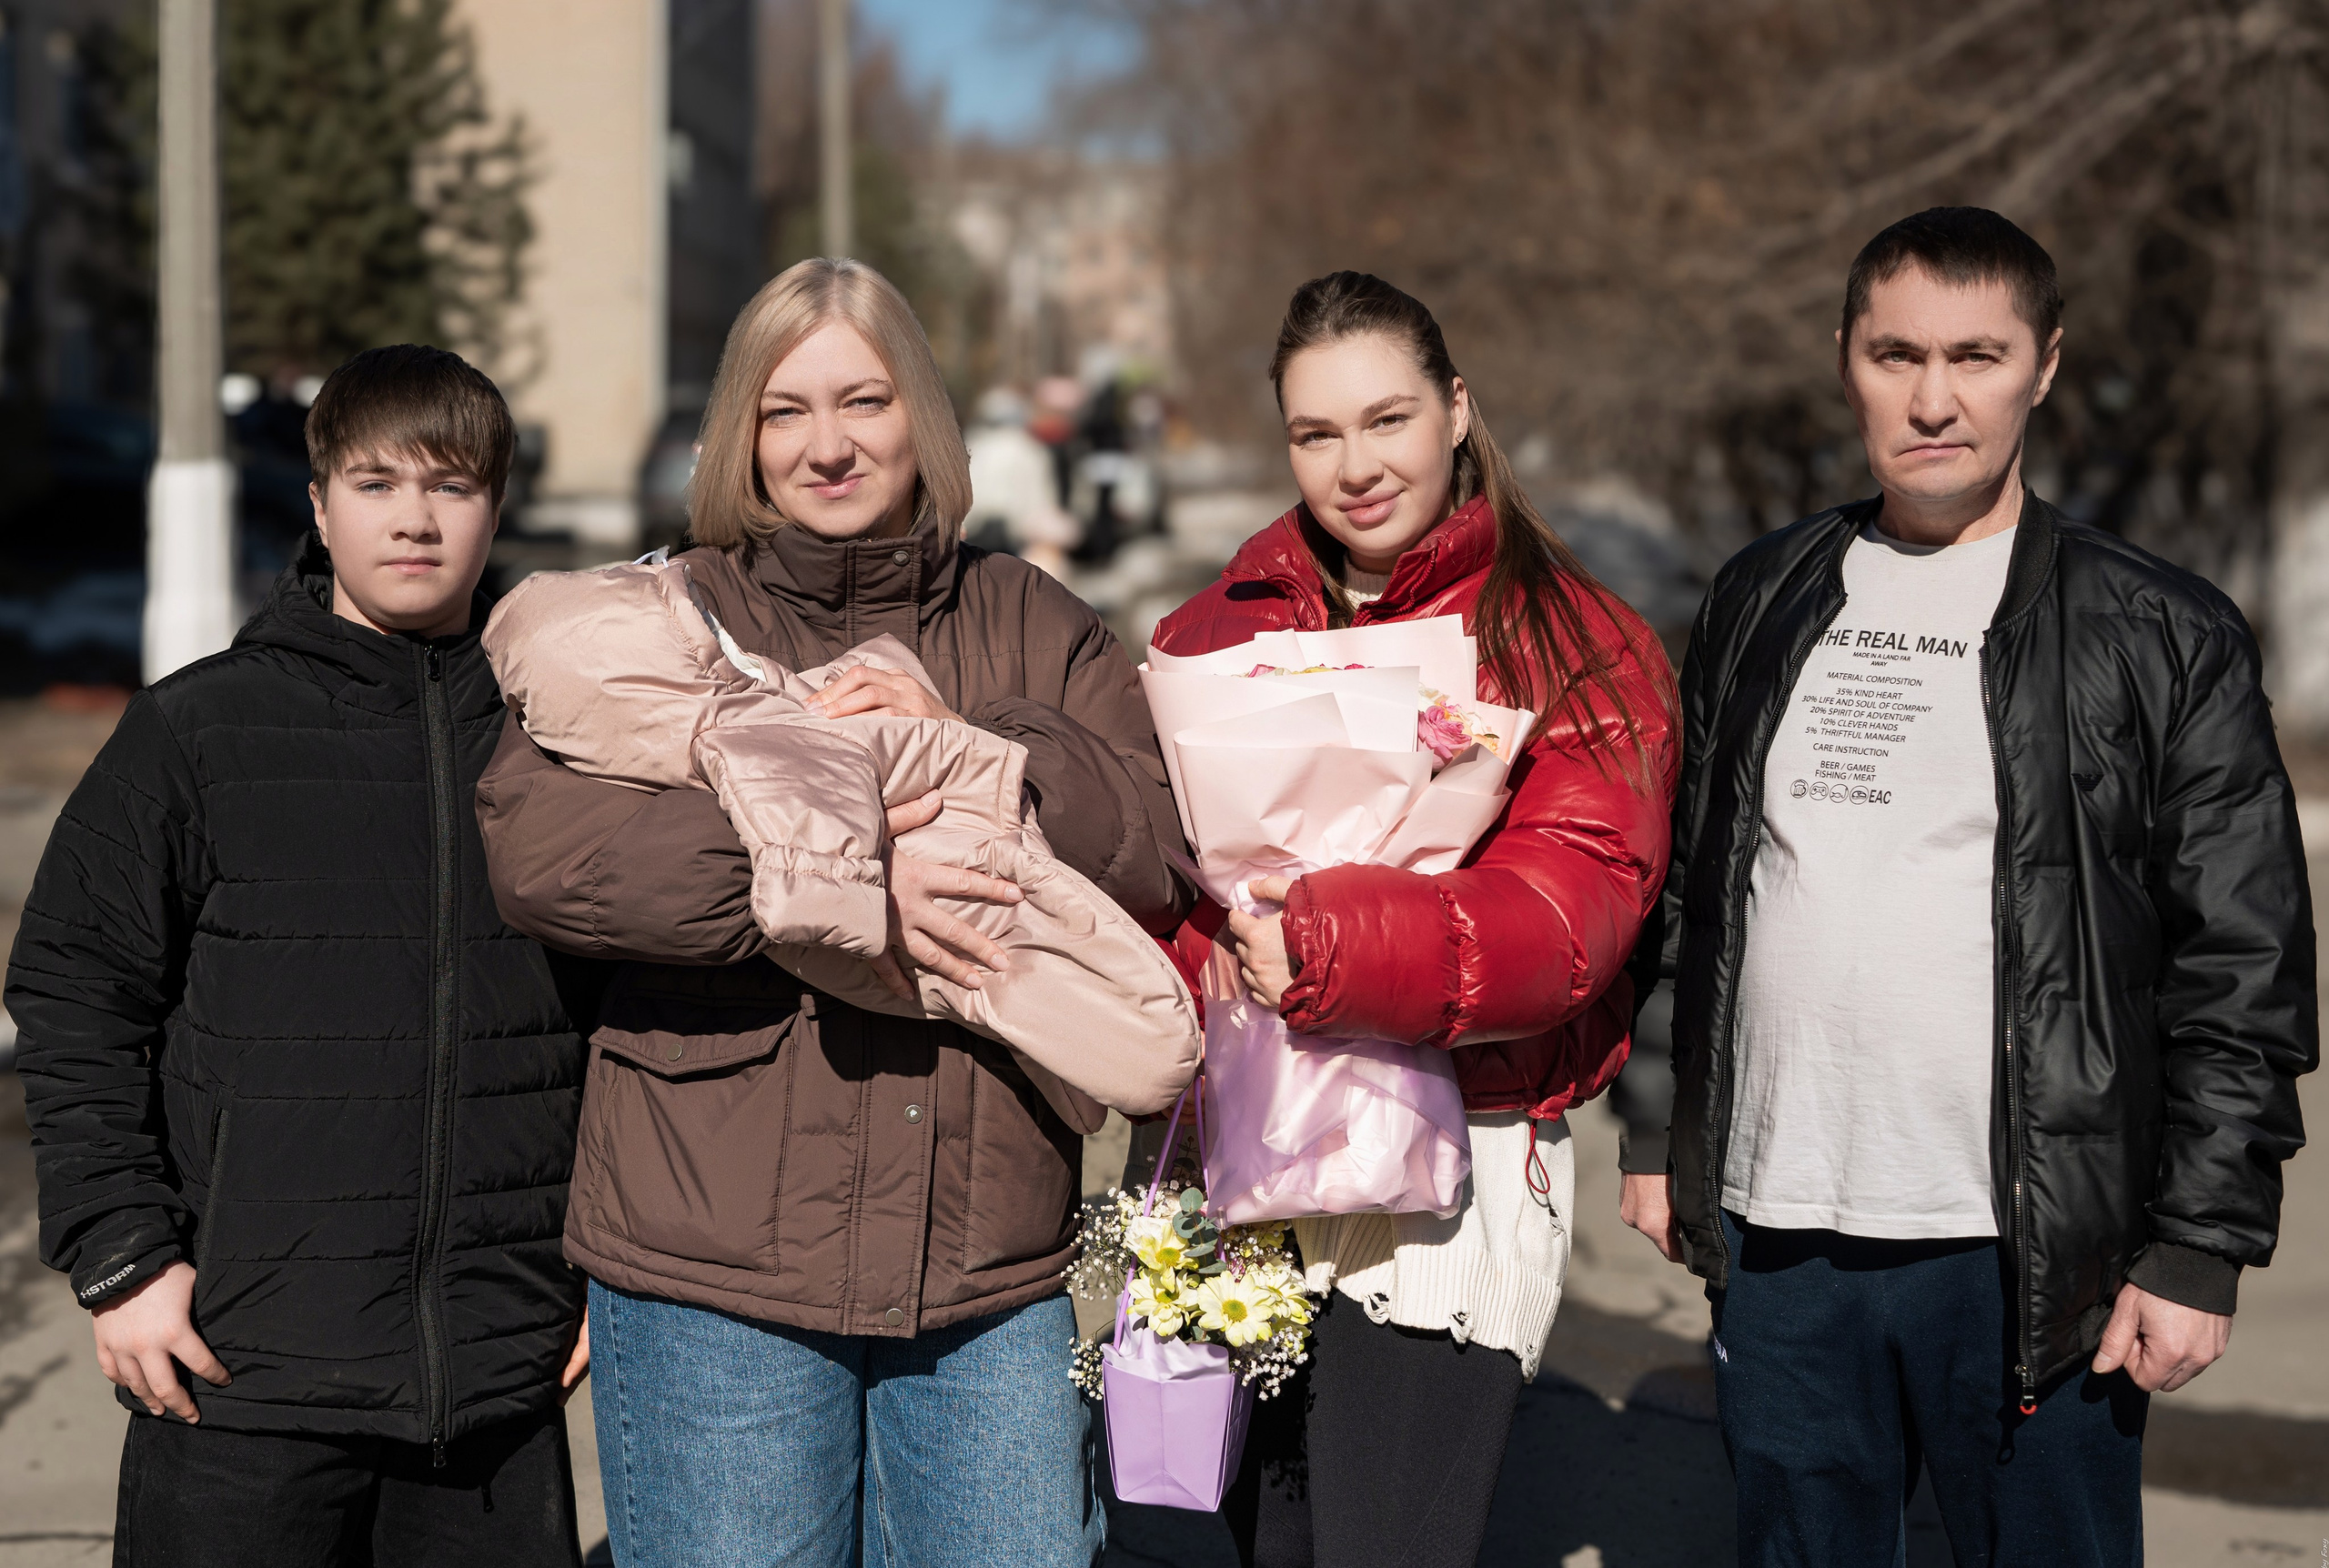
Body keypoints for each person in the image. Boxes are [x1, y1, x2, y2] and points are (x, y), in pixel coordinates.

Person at [471, 256, 1193, 1567]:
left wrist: (972, 740)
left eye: (862, 400)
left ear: (920, 413)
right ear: (742, 434)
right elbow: (549, 846)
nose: (829, 443)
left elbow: (1154, 846)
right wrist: (849, 884)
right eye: (785, 409)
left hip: (989, 1280)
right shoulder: (663, 615)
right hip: (713, 1280)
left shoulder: (1029, 618)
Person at [1622, 206, 2318, 1565]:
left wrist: (2195, 1247)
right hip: (1784, 1230)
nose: (1935, 399)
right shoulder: (1762, 596)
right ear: (1846, 362)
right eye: (1897, 356)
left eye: (1978, 355)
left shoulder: (2159, 630)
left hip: (2030, 1244)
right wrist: (1662, 1129)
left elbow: (2240, 963)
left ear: (2044, 366)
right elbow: (1698, 892)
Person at [6, 345, 602, 1568]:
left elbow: (623, 1016)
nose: (417, 519)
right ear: (321, 503)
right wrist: (123, 1262)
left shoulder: (563, 735)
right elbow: (75, 992)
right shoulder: (201, 728)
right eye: (378, 484)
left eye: (451, 485)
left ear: (497, 504)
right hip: (239, 1374)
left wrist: (598, 1257)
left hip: (490, 1384)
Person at [1152, 270, 1679, 1568]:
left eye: (1386, 420)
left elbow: (1569, 917)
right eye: (1316, 433)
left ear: (1456, 410)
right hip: (1243, 1154)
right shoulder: (1210, 634)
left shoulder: (1576, 640)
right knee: (1249, 1541)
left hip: (1455, 1178)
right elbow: (1160, 885)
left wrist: (1327, 945)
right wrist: (1186, 959)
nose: (1356, 466)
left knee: (1389, 1545)